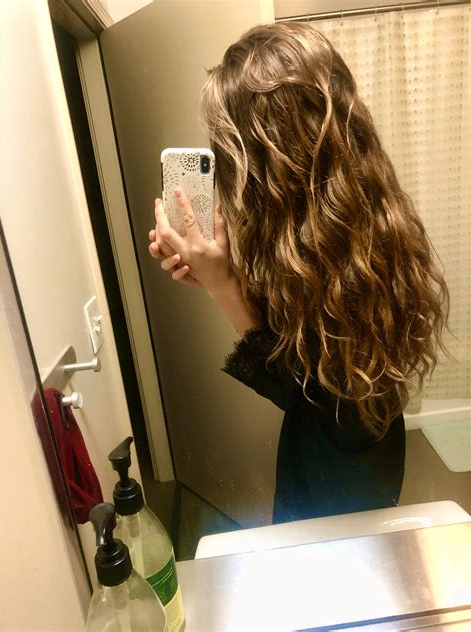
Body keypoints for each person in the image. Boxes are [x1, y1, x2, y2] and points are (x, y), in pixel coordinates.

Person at [148, 22, 449, 523]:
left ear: (273, 163)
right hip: (355, 461)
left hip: (341, 492)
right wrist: (221, 279)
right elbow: (307, 370)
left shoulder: (352, 268)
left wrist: (224, 287)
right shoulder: (359, 228)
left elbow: (304, 394)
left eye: (233, 155)